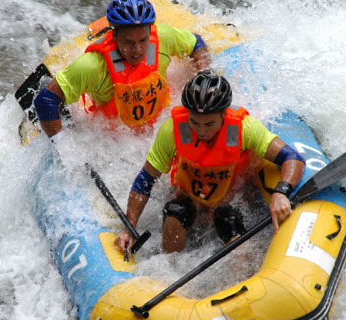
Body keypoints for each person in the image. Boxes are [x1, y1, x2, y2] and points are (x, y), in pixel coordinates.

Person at [115, 70, 306, 254]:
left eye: (209, 124)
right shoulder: (172, 130)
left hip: (231, 200)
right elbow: (146, 179)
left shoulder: (245, 128)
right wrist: (128, 227)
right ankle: (171, 267)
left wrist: (282, 192)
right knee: (174, 213)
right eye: (195, 122)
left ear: (224, 115)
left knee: (229, 223)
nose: (201, 131)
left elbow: (293, 158)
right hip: (188, 197)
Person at [33, 0, 210, 138]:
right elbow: (46, 100)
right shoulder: (93, 66)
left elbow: (197, 44)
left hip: (156, 126)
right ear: (115, 36)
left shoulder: (163, 37)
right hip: (113, 138)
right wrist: (62, 146)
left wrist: (203, 77)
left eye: (143, 40)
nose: (137, 50)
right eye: (129, 42)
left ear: (151, 32)